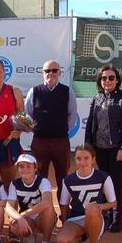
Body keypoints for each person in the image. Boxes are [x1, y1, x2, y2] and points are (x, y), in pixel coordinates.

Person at [84, 64, 122, 232]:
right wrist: (88, 150)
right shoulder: (96, 98)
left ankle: (117, 219)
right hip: (100, 149)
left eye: (111, 78)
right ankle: (105, 217)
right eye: (104, 78)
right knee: (103, 184)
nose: (107, 81)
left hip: (117, 149)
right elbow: (91, 124)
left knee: (116, 183)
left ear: (117, 80)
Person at [25, 60, 78, 204]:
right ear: (43, 73)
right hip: (39, 142)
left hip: (60, 142)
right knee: (39, 178)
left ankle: (64, 213)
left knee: (63, 178)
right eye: (47, 71)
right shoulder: (34, 91)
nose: (51, 74)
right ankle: (42, 213)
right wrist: (35, 126)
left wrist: (60, 128)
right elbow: (28, 114)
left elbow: (72, 115)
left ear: (60, 73)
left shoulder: (68, 91)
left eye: (54, 70)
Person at [56, 145, 116, 243]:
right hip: (76, 218)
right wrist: (65, 225)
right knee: (61, 242)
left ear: (93, 159)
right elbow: (64, 205)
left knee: (91, 208)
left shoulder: (103, 177)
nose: (82, 162)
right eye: (78, 158)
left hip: (96, 217)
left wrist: (100, 207)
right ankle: (82, 240)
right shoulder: (68, 180)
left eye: (86, 158)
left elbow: (113, 202)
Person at [5, 154, 55, 243]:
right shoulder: (14, 184)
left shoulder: (43, 181)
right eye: (21, 166)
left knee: (49, 208)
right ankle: (29, 236)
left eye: (28, 166)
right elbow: (8, 206)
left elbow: (46, 202)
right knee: (13, 224)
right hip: (28, 219)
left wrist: (22, 214)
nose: (25, 169)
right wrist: (19, 218)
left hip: (42, 217)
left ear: (35, 168)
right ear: (18, 168)